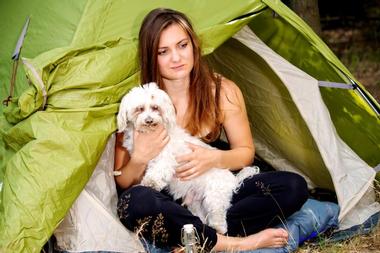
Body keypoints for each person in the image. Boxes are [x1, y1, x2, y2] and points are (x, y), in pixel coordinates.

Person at [114, 8, 309, 252]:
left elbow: (245, 152)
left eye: (182, 45)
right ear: (151, 57)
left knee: (293, 186)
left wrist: (214, 158)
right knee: (134, 203)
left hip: (212, 189)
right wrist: (141, 157)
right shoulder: (141, 102)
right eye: (163, 52)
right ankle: (233, 243)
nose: (176, 58)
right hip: (165, 197)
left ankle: (192, 236)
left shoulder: (222, 90)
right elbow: (123, 180)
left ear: (195, 45)